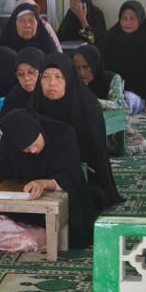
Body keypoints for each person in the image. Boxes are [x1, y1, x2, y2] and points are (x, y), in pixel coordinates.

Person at [0, 108, 98, 248]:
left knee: (68, 230)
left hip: (56, 195)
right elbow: (2, 161)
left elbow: (71, 173)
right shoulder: (11, 140)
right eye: (27, 150)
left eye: (35, 144)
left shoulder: (64, 133)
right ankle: (36, 235)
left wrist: (44, 183)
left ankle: (43, 235)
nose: (34, 151)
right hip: (22, 206)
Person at [29, 52, 123, 209]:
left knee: (91, 199)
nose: (52, 83)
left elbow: (92, 153)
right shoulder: (35, 104)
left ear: (68, 78)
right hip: (39, 169)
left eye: (58, 77)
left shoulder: (85, 106)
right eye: (46, 77)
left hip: (78, 171)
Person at [102, 0, 146, 114]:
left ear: (140, 19)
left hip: (135, 92)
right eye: (124, 18)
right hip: (111, 89)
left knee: (127, 102)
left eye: (132, 18)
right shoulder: (111, 37)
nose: (128, 22)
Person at [0, 47, 45, 131]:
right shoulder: (16, 94)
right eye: (20, 74)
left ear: (42, 72)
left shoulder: (52, 92)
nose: (26, 78)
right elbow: (2, 117)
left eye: (31, 72)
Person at [72, 44, 127, 111]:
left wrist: (94, 102)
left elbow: (120, 105)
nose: (81, 73)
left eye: (85, 67)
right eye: (77, 68)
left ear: (94, 64)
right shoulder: (72, 79)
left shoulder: (112, 79)